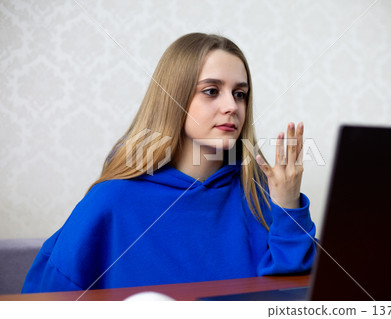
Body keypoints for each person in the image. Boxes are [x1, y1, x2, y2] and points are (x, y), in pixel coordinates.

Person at [22, 33, 316, 293]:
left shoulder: (259, 194)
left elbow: (294, 297)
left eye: (240, 94)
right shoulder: (113, 201)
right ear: (172, 98)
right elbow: (46, 302)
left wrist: (288, 206)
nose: (232, 106)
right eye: (211, 91)